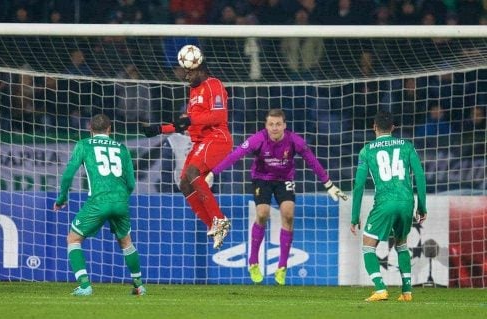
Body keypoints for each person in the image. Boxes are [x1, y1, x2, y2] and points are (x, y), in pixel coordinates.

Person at [207, 108, 347, 285]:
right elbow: (235, 155)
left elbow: (312, 161)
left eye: (278, 124)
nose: (274, 128)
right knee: (263, 213)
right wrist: (213, 173)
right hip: (261, 179)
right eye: (271, 124)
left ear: (284, 126)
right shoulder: (258, 139)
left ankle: (282, 267)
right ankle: (253, 262)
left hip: (284, 179)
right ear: (266, 126)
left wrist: (329, 184)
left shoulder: (295, 141)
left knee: (288, 214)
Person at [141, 50, 233, 250]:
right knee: (184, 183)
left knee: (192, 174)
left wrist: (191, 120)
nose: (186, 76)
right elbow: (184, 124)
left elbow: (218, 116)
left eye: (190, 72)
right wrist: (158, 129)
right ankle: (213, 225)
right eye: (185, 72)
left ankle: (219, 219)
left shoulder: (213, 85)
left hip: (217, 138)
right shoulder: (193, 93)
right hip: (200, 142)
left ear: (200, 69)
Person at [53, 114, 145, 296]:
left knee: (73, 239)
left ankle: (85, 285)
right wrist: (120, 199)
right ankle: (139, 286)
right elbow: (132, 183)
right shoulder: (121, 147)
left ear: (90, 129)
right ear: (109, 129)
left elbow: (68, 174)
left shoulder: (84, 144)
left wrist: (62, 198)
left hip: (98, 201)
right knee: (126, 242)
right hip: (120, 201)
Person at [350, 110, 427, 302]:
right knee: (401, 244)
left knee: (368, 246)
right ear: (393, 127)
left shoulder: (367, 150)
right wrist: (422, 206)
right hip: (406, 202)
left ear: (373, 127)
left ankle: (380, 289)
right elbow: (420, 176)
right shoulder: (407, 146)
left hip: (384, 202)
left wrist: (354, 216)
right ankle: (407, 292)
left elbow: (359, 185)